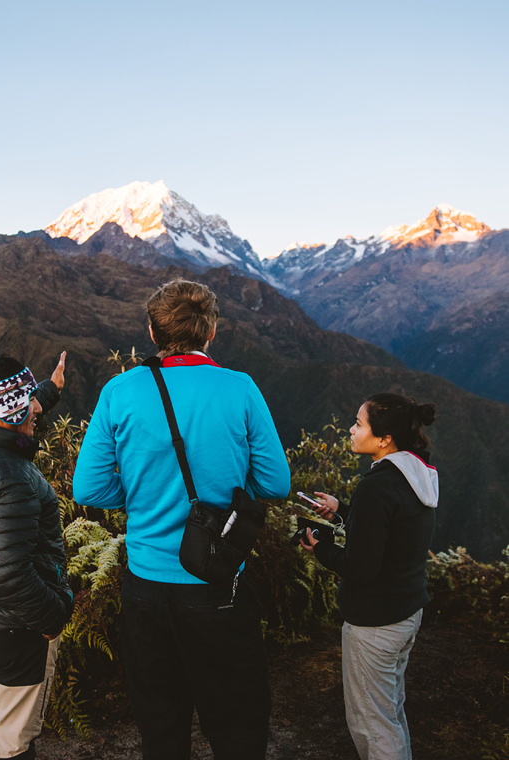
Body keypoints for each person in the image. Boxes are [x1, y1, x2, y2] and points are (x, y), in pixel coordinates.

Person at [72, 279, 291, 760]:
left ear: (151, 332)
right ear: (211, 331)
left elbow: (86, 488)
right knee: (236, 728)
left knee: (162, 729)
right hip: (219, 585)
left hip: (146, 588)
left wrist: (143, 498)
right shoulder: (241, 389)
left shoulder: (119, 391)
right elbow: (275, 484)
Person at [299, 392, 438, 760]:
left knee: (372, 725)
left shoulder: (376, 485)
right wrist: (343, 512)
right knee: (389, 713)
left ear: (383, 439)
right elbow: (391, 534)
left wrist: (319, 548)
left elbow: (361, 568)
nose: (351, 429)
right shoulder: (416, 473)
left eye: (359, 424)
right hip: (406, 611)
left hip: (375, 622)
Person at [0, 352, 74, 760]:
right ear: (7, 410)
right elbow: (6, 576)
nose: (36, 408)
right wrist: (53, 617)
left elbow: (15, 412)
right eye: (30, 401)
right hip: (19, 626)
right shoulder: (11, 479)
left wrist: (51, 390)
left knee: (3, 711)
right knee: (14, 740)